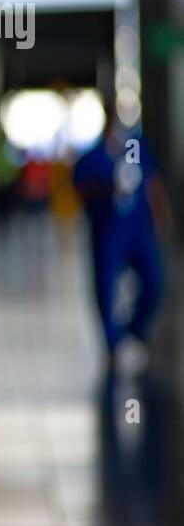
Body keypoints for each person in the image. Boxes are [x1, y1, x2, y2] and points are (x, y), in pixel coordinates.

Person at [72, 97, 171, 373]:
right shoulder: (92, 158)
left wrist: (161, 216)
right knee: (105, 287)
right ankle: (113, 343)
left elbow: (152, 183)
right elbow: (79, 188)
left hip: (138, 230)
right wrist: (105, 189)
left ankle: (134, 330)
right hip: (108, 232)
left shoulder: (136, 148)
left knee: (154, 281)